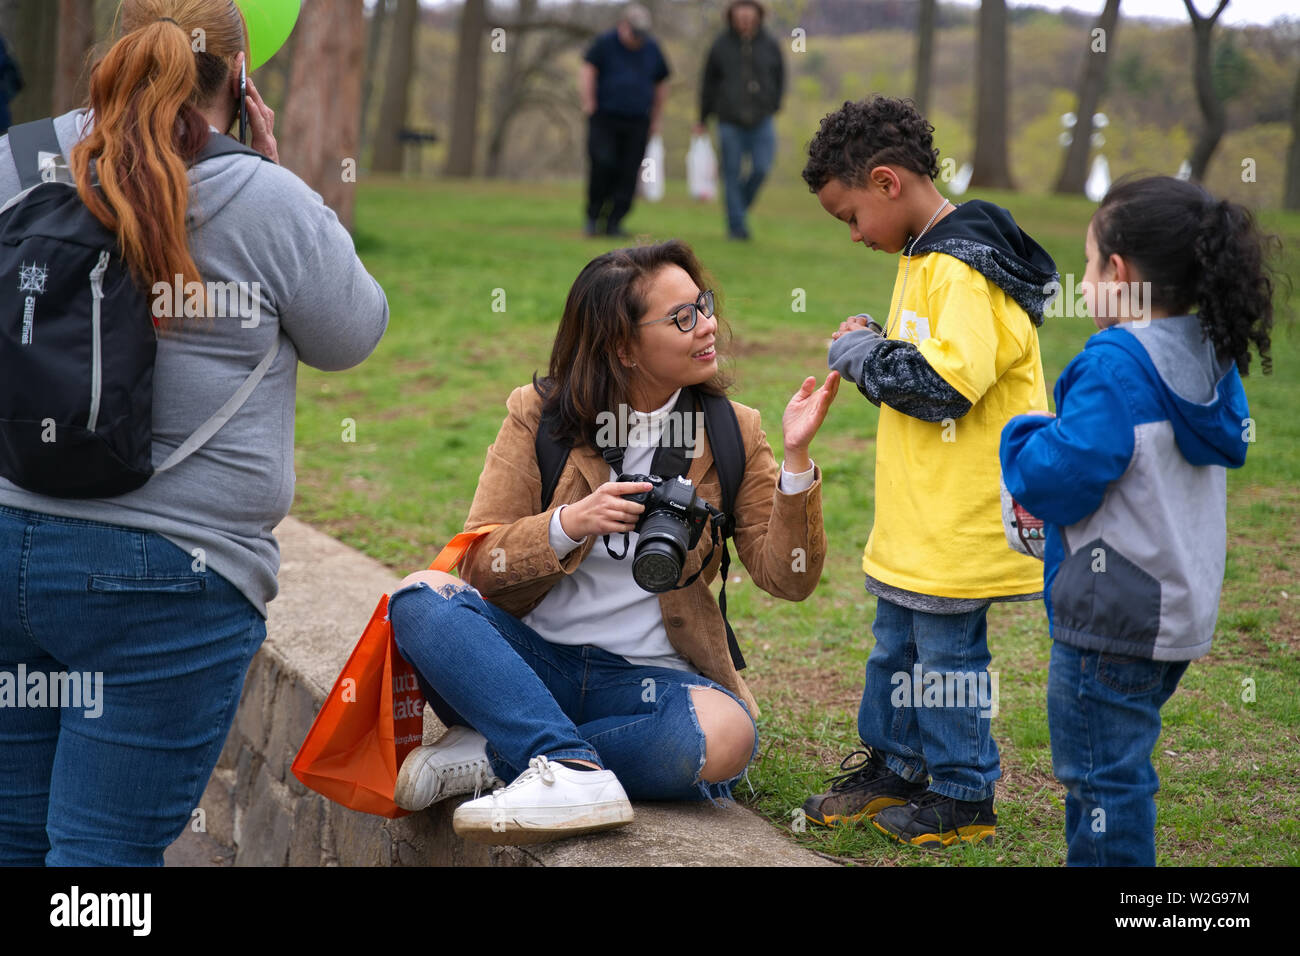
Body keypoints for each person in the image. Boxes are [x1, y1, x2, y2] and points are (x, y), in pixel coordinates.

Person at [0, 0, 388, 866]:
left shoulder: (16, 158)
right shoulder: (265, 196)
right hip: (167, 580)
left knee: (13, 842)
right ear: (240, 76)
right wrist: (283, 181)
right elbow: (352, 333)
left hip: (3, 545)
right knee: (101, 866)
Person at [387, 240, 838, 844]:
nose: (708, 327)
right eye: (682, 318)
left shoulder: (734, 430)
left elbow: (789, 579)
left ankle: (505, 754)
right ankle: (565, 760)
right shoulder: (540, 415)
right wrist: (569, 523)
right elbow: (480, 564)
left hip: (647, 684)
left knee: (729, 738)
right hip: (531, 663)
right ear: (623, 346)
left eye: (702, 306)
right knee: (420, 597)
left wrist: (796, 463)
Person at [800, 96, 1057, 847]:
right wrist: (877, 340)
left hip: (961, 514)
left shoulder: (957, 264)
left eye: (850, 216)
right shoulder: (924, 253)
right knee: (897, 648)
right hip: (919, 518)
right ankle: (897, 767)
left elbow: (947, 385)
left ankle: (963, 791)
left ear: (886, 183)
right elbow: (931, 356)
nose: (853, 235)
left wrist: (859, 355)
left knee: (946, 658)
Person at [999, 176, 1273, 866]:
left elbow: (1057, 476)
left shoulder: (1116, 364)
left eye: (1089, 264)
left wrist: (1024, 435)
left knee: (1103, 783)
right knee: (1121, 768)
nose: (1084, 280)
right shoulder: (1211, 354)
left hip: (1111, 621)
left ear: (1117, 273)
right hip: (1174, 615)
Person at [695, 0, 784, 240]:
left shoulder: (770, 44)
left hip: (762, 118)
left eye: (749, 13)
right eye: (740, 13)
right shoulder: (720, 45)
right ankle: (737, 228)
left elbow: (779, 76)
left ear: (758, 15)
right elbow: (708, 83)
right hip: (729, 119)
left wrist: (774, 104)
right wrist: (702, 117)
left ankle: (737, 211)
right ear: (732, 16)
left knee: (762, 167)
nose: (744, 17)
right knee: (731, 173)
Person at [580, 3, 669, 237]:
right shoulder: (604, 44)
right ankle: (593, 216)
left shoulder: (652, 49)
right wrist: (589, 102)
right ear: (623, 25)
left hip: (638, 120)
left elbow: (661, 82)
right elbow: (588, 69)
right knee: (603, 163)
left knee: (628, 171)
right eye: (633, 33)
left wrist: (656, 118)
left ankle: (614, 221)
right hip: (605, 117)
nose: (637, 39)